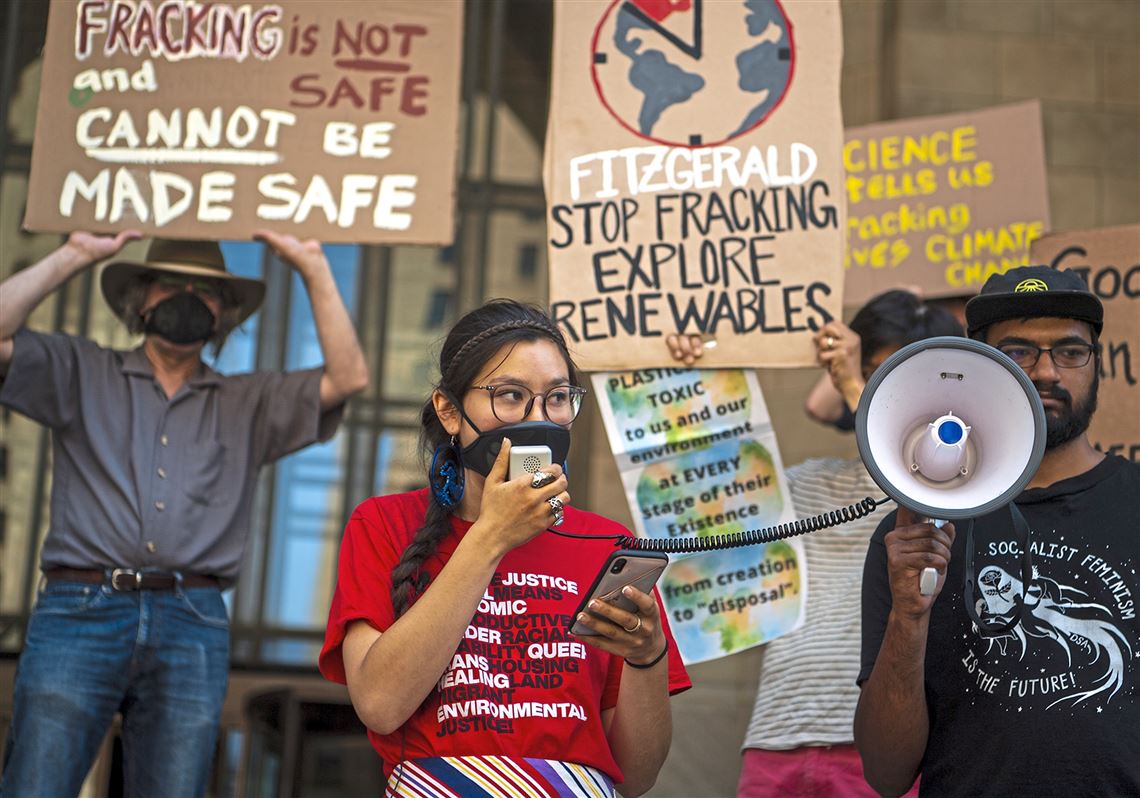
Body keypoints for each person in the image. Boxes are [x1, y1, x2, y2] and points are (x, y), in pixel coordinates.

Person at [0, 230, 369, 797]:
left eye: (207, 290)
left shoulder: (249, 401)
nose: (189, 296)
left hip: (191, 617)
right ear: (140, 298)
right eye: (172, 282)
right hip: (79, 610)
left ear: (223, 312)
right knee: (36, 786)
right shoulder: (79, 370)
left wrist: (314, 265)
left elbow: (349, 378)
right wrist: (76, 253)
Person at [320, 299, 690, 797]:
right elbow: (381, 704)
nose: (538, 418)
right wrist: (491, 537)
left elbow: (638, 776)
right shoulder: (384, 523)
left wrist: (648, 658)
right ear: (450, 411)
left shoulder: (606, 545)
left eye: (558, 398)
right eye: (510, 396)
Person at [855, 266, 1140, 797]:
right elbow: (885, 773)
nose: (1047, 372)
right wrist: (909, 617)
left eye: (1071, 351)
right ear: (980, 368)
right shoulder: (914, 535)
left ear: (1096, 365)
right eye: (1019, 352)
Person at [670, 290, 962, 797]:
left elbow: (905, 475)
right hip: (775, 739)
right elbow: (708, 498)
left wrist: (852, 378)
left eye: (897, 378)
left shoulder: (953, 491)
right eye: (874, 372)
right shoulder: (809, 485)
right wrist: (693, 371)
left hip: (880, 757)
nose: (877, 389)